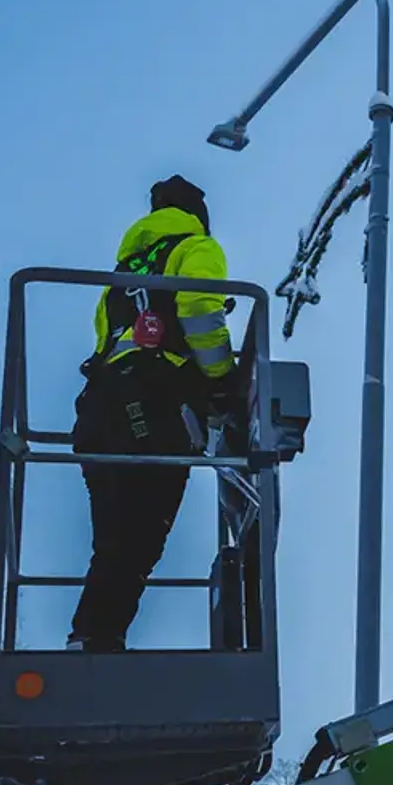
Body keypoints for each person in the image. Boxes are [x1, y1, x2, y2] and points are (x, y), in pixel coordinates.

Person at [67, 174, 237, 652]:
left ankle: (90, 636)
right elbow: (201, 310)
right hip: (151, 404)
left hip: (98, 409)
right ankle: (98, 638)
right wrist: (222, 379)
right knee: (142, 533)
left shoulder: (122, 275)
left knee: (114, 538)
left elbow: (111, 342)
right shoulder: (195, 247)